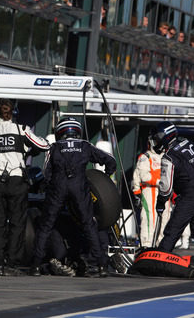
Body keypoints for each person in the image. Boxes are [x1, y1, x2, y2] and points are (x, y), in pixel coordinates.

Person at [29, 117, 116, 277]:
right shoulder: (85, 145)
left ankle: (35, 265)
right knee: (89, 225)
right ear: (77, 131)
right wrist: (106, 177)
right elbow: (110, 160)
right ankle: (101, 265)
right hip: (79, 187)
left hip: (58, 187)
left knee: (46, 226)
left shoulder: (54, 147)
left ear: (60, 132)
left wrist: (48, 188)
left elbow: (46, 173)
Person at [0, 98, 49, 276]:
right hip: (17, 181)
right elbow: (43, 145)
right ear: (13, 112)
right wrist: (26, 149)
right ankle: (11, 263)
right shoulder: (22, 129)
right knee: (17, 223)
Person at [150, 121, 194, 268]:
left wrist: (161, 202)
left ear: (164, 137)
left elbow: (166, 187)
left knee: (172, 229)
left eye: (156, 138)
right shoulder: (190, 143)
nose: (156, 141)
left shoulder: (169, 157)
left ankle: (158, 262)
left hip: (189, 195)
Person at [132, 136, 171, 248]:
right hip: (149, 191)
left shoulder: (167, 157)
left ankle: (161, 245)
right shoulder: (145, 157)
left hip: (164, 192)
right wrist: (160, 180)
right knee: (149, 219)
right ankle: (146, 245)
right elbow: (144, 176)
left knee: (165, 219)